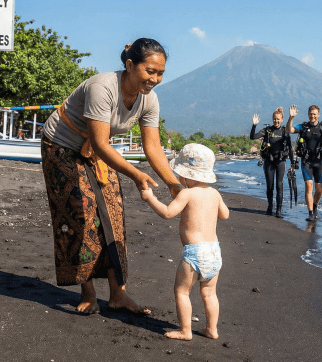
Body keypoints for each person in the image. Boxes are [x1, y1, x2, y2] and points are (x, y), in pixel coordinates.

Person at [40, 38, 182, 315]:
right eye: (149, 71)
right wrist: (136, 175)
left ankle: (118, 295)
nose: (155, 79)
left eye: (160, 73)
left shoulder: (149, 100)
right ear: (130, 65)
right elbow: (102, 143)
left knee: (113, 214)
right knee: (81, 213)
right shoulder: (102, 87)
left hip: (95, 149)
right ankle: (88, 293)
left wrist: (173, 184)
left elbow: (153, 147)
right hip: (61, 144)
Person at [141, 143, 229, 341]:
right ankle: (212, 329)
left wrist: (150, 198)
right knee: (209, 293)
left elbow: (167, 213)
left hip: (195, 253)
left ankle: (185, 331)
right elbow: (225, 215)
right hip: (214, 253)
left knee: (182, 292)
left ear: (187, 176)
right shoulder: (215, 194)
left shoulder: (187, 193)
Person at [285, 104, 322, 221]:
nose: (312, 116)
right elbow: (289, 129)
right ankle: (311, 213)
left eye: (314, 114)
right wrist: (291, 117)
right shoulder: (303, 127)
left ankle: (315, 206)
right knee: (309, 186)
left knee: (319, 189)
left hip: (319, 162)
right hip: (306, 161)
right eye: (311, 114)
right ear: (308, 115)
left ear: (318, 114)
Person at [249, 107, 295, 218]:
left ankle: (278, 210)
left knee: (279, 186)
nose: (276, 121)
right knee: (270, 186)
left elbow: (290, 148)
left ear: (282, 119)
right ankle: (270, 207)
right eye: (274, 119)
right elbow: (252, 137)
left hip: (281, 162)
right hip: (269, 161)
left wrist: (293, 163)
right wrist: (254, 125)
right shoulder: (267, 130)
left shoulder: (285, 131)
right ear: (272, 119)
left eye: (278, 119)